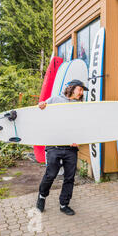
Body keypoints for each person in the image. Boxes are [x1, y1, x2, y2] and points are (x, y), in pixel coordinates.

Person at [36, 79, 88, 216]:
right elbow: (42, 111)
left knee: (69, 177)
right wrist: (41, 105)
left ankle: (64, 204)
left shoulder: (80, 105)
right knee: (51, 174)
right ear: (71, 88)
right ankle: (42, 196)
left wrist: (79, 139)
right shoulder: (55, 99)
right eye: (80, 89)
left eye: (82, 91)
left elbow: (81, 126)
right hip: (54, 145)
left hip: (71, 148)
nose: (81, 93)